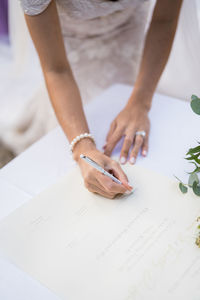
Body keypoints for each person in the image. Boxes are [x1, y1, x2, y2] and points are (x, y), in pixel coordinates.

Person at [20, 0, 183, 198]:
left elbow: (164, 21)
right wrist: (83, 146)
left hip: (132, 30)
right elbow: (56, 69)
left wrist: (141, 102)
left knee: (152, 142)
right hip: (68, 49)